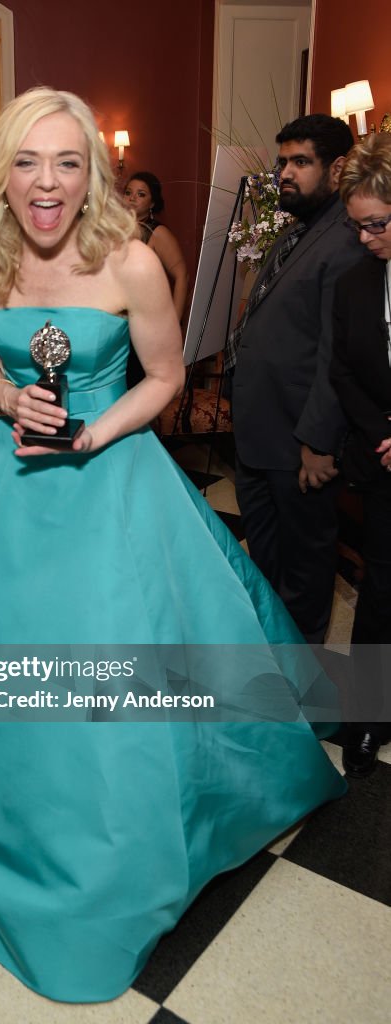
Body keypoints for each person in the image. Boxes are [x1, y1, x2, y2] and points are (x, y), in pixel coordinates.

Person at [0, 88, 344, 1002]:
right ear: (2, 170)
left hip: (114, 482)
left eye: (68, 163)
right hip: (9, 492)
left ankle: (123, 830)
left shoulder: (129, 264)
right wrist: (8, 401)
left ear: (93, 176)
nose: (47, 183)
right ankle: (7, 807)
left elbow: (164, 377)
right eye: (30, 162)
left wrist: (92, 432)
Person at [228, 114, 363, 643]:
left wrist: (317, 442)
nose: (285, 173)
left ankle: (306, 689)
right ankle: (274, 660)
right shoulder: (296, 228)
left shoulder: (347, 238)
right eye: (283, 161)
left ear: (338, 168)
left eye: (301, 162)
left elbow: (338, 355)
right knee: (267, 560)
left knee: (305, 570)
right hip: (259, 435)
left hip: (298, 442)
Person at [330, 132, 391, 776]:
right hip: (382, 461)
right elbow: (345, 373)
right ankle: (370, 715)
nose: (365, 238)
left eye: (376, 225)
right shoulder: (354, 283)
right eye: (358, 227)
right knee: (380, 592)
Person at [123, 171, 188, 389]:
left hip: (144, 326)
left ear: (152, 203)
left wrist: (174, 324)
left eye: (141, 194)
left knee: (136, 389)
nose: (132, 198)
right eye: (128, 192)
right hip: (118, 325)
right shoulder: (114, 231)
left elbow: (182, 276)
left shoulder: (157, 233)